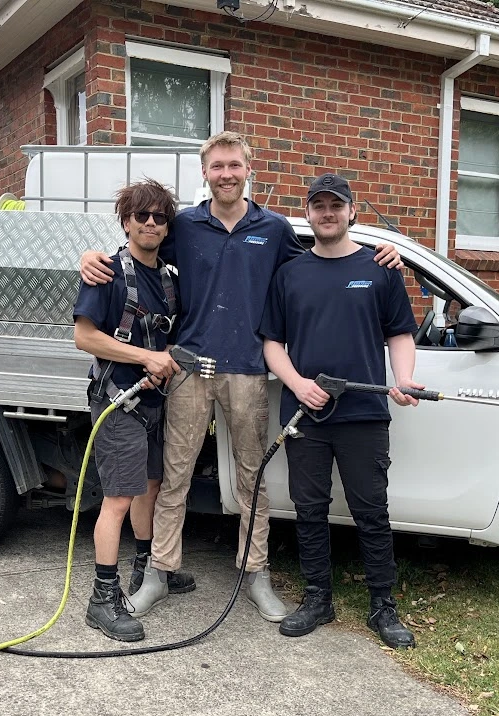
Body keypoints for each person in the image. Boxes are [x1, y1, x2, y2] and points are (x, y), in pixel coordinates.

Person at [81, 132, 401, 621]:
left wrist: (382, 254)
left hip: (249, 372)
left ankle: (256, 575)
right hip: (188, 368)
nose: (226, 174)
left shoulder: (273, 229)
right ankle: (158, 573)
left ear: (248, 169)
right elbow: (138, 246)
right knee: (174, 478)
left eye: (234, 165)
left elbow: (323, 265)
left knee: (253, 479)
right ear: (204, 173)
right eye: (216, 166)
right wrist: (91, 258)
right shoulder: (184, 225)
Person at [259, 173, 421, 649]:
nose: (327, 213)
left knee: (372, 512)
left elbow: (400, 334)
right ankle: (317, 599)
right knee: (310, 511)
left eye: (336, 205)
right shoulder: (290, 273)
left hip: (365, 415)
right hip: (305, 414)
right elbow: (272, 343)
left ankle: (382, 607)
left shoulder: (380, 268)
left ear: (352, 212)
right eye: (318, 206)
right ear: (308, 213)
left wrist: (404, 378)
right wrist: (298, 385)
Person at [72, 178, 181, 642]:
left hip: (156, 404)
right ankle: (102, 599)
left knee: (148, 489)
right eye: (142, 216)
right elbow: (85, 336)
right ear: (126, 221)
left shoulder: (168, 279)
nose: (151, 223)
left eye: (159, 216)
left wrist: (167, 356)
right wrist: (146, 358)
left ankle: (146, 568)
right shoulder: (106, 272)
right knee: (117, 499)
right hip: (119, 402)